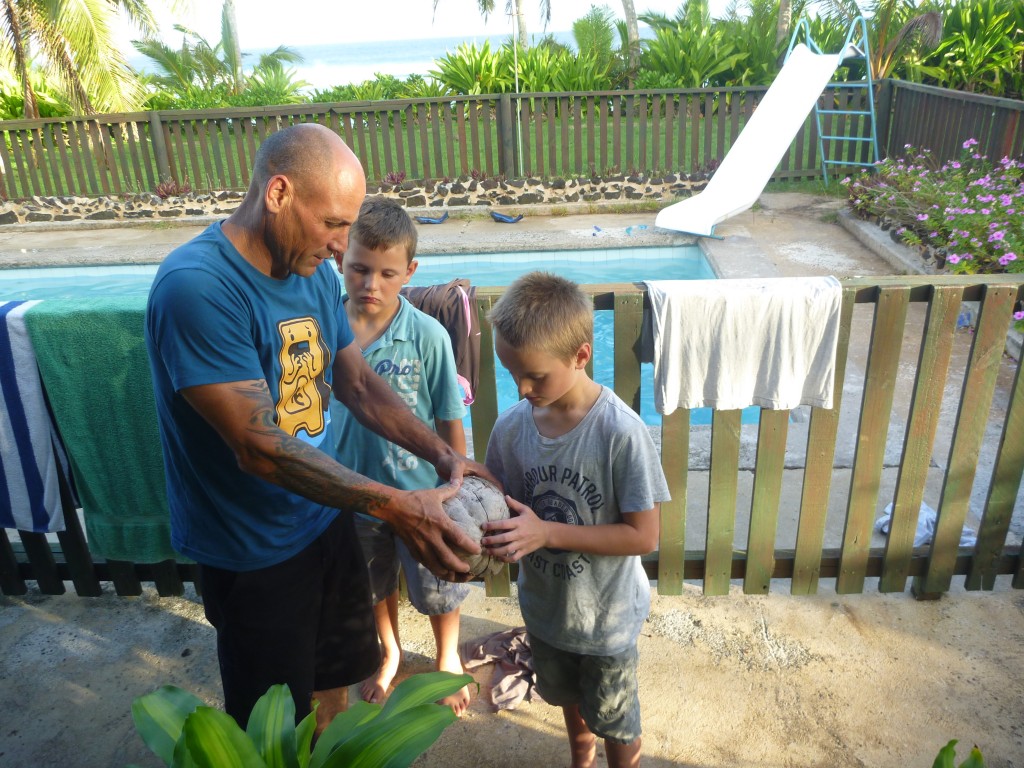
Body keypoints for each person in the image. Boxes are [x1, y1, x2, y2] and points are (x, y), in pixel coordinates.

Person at [144, 123, 490, 732]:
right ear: (279, 193)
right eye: (332, 224)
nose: (340, 246)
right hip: (252, 549)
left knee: (336, 682)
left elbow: (356, 384)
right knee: (275, 725)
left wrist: (443, 456)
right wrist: (395, 506)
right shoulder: (198, 288)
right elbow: (259, 448)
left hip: (327, 520)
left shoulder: (312, 272)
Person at [479, 272, 670, 768]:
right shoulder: (511, 429)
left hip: (606, 622)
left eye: (536, 376)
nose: (522, 388)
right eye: (511, 372)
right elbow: (501, 506)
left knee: (616, 720)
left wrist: (547, 532)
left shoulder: (620, 433)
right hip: (546, 612)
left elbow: (644, 536)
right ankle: (579, 760)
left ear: (581, 355)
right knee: (567, 699)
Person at [328, 196, 472, 714]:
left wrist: (454, 495)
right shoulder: (326, 327)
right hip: (357, 494)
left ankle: (447, 656)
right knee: (374, 584)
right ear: (340, 260)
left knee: (437, 584)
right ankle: (389, 652)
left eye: (387, 273)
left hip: (422, 495)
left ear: (409, 272)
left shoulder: (427, 336)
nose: (371, 284)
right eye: (359, 269)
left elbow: (449, 421)